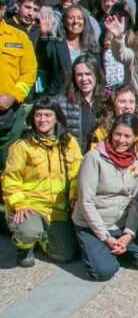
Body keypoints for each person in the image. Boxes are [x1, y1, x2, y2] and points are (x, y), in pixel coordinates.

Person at [73, 113, 138, 281]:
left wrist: (129, 234)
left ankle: (113, 249)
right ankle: (97, 247)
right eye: (117, 134)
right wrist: (106, 238)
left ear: (135, 138)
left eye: (127, 136)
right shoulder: (93, 158)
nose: (121, 140)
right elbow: (86, 201)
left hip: (121, 223)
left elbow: (136, 200)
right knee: (104, 272)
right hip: (93, 224)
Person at [4, 97, 82, 267]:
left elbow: (76, 172)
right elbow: (10, 178)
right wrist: (19, 203)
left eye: (47, 115)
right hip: (28, 206)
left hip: (55, 209)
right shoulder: (22, 145)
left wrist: (75, 195)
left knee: (65, 255)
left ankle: (41, 240)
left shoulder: (68, 142)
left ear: (56, 118)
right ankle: (24, 246)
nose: (42, 120)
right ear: (33, 118)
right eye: (38, 115)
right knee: (29, 231)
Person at [0, 0, 37, 172]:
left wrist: (13, 96)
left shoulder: (19, 37)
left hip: (11, 112)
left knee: (10, 166)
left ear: (3, 9)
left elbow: (29, 72)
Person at [89, 85, 138, 174]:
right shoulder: (101, 132)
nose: (127, 106)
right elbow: (93, 161)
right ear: (113, 103)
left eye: (131, 102)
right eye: (122, 101)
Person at [38, 3, 101, 94]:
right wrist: (43, 36)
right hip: (61, 96)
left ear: (85, 22)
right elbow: (42, 62)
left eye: (79, 18)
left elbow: (99, 76)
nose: (76, 21)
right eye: (71, 18)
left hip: (87, 96)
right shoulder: (55, 45)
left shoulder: (93, 48)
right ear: (64, 22)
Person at [55, 55, 106, 152]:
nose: (84, 79)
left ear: (97, 74)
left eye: (88, 74)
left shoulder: (106, 101)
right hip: (72, 156)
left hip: (99, 157)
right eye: (79, 75)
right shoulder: (62, 101)